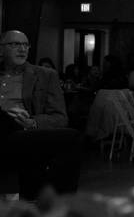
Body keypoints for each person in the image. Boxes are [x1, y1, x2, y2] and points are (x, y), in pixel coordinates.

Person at [0, 30, 82, 201]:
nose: (22, 49)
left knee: (71, 137)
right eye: (15, 44)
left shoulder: (46, 75)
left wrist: (32, 122)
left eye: (25, 45)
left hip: (24, 132)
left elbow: (60, 117)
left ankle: (60, 206)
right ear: (2, 49)